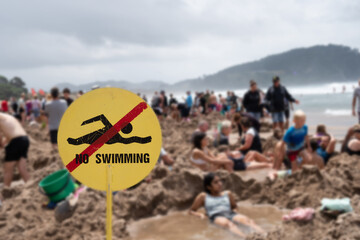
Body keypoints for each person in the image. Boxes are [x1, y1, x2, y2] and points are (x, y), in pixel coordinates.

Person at [189, 173, 264, 238]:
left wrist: (235, 212)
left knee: (249, 221)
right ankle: (246, 238)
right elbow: (191, 211)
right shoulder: (203, 196)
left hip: (230, 214)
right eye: (216, 182)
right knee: (228, 224)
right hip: (216, 216)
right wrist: (200, 215)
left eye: (220, 181)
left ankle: (266, 236)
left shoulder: (227, 194)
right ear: (209, 187)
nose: (220, 184)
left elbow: (234, 206)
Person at [0, 112, 30, 187]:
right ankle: (33, 187)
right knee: (21, 168)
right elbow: (11, 132)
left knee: (8, 169)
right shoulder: (8, 117)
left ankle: (6, 190)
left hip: (16, 141)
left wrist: (0, 144)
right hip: (25, 139)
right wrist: (3, 144)